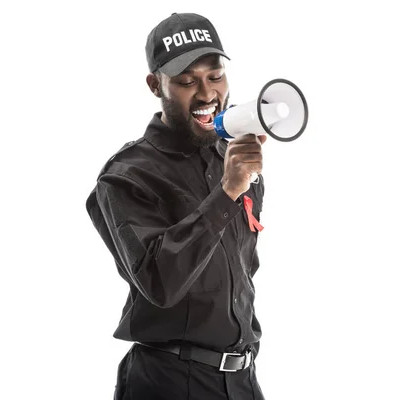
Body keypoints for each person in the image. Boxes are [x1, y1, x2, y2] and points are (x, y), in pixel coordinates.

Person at [85, 12, 267, 400]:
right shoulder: (126, 176)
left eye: (215, 76)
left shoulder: (231, 161)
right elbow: (159, 282)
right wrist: (226, 193)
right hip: (168, 382)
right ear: (156, 85)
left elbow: (242, 273)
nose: (206, 94)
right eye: (187, 81)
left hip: (241, 380)